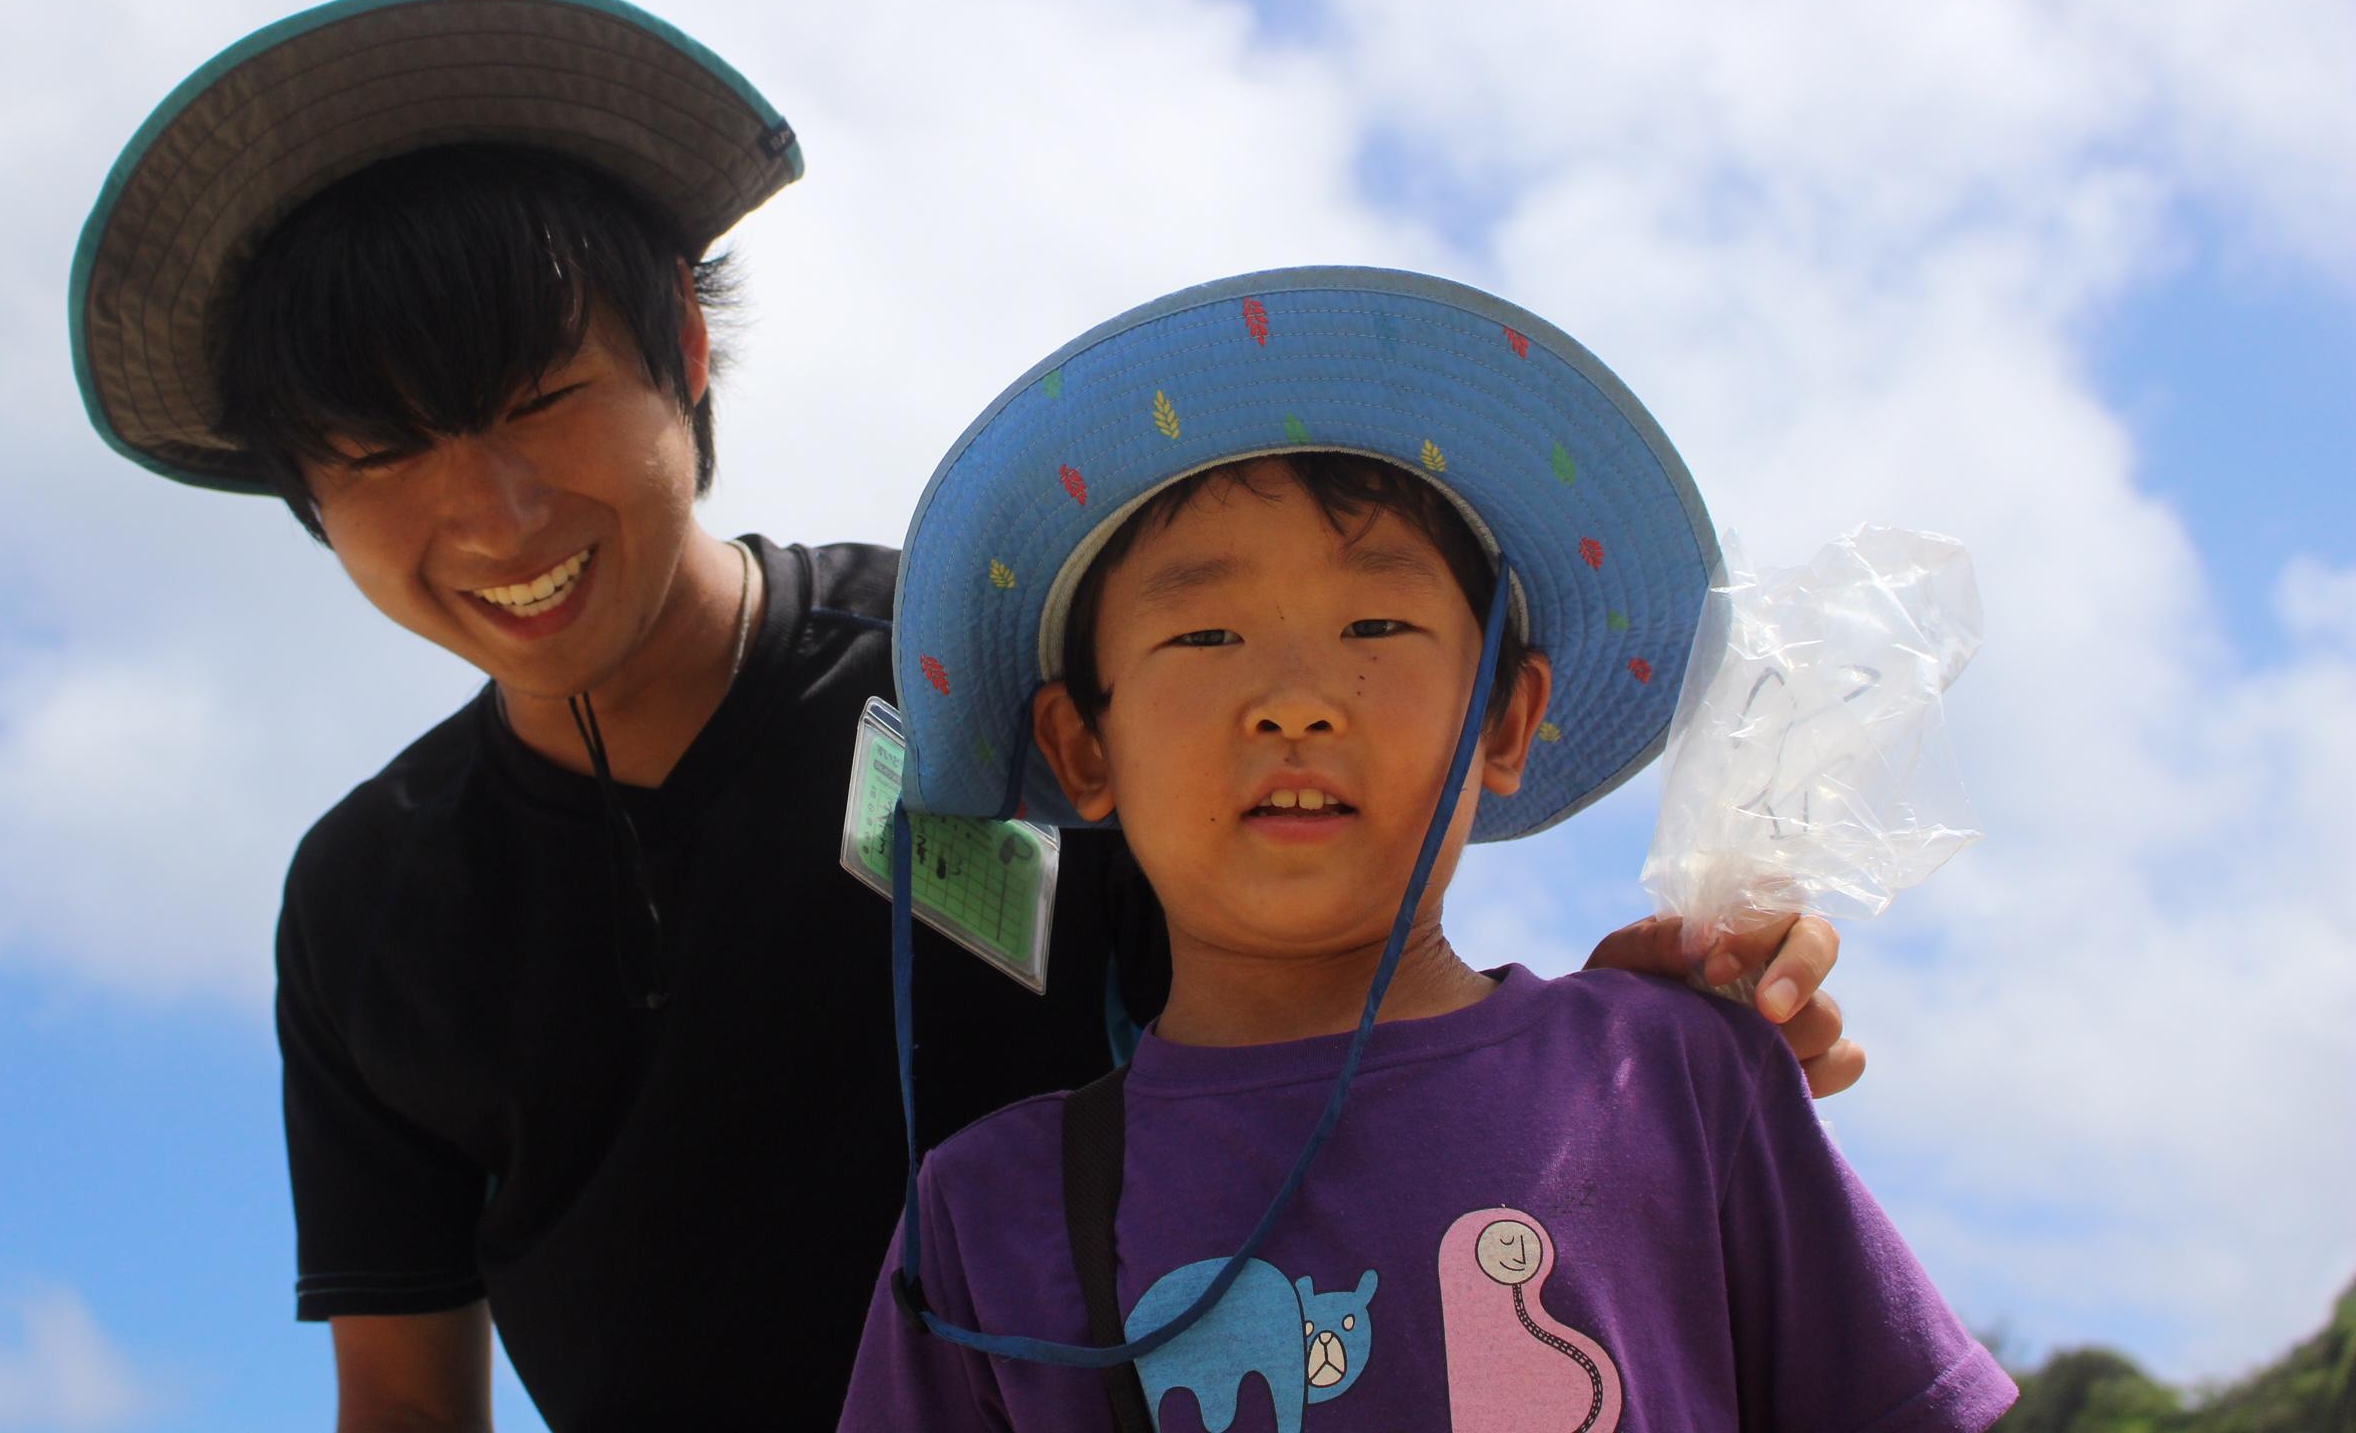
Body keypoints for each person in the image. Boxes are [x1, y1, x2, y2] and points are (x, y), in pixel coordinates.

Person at [70, 0, 1864, 1431]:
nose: (494, 514)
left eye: (539, 397)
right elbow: (400, 1392)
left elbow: (1332, 990)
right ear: (307, 495)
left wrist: (1621, 1063)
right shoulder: (370, 902)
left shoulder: (985, 696)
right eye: (383, 450)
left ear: (686, 355)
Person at [841, 267, 2014, 1430]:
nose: (1295, 702)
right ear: (1083, 745)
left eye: (1377, 626)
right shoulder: (988, 1217)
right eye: (1204, 632)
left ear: (1505, 719)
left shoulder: (1675, 1080)